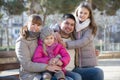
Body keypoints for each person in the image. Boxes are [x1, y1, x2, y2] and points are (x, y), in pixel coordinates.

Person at [59, 2, 104, 80]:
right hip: (77, 64)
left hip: (88, 62)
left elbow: (83, 41)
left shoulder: (90, 28)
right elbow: (61, 25)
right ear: (77, 13)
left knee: (98, 72)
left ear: (89, 15)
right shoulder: (74, 25)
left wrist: (66, 44)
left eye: (85, 13)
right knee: (77, 76)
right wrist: (56, 31)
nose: (82, 15)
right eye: (81, 12)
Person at [15, 14, 63, 80]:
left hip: (44, 71)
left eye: (38, 25)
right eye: (33, 24)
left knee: (72, 77)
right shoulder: (21, 42)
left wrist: (57, 58)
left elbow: (49, 32)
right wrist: (46, 67)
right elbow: (26, 65)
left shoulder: (40, 37)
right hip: (29, 74)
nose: (35, 27)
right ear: (27, 24)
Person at [52, 14, 82, 80]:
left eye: (72, 25)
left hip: (74, 69)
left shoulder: (74, 38)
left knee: (98, 72)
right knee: (76, 78)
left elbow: (85, 41)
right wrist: (54, 31)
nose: (69, 26)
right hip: (58, 71)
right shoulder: (52, 37)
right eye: (66, 23)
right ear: (60, 23)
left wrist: (93, 51)